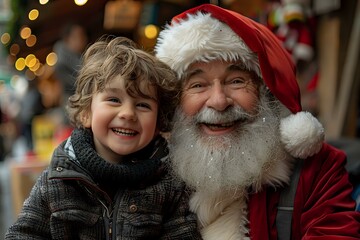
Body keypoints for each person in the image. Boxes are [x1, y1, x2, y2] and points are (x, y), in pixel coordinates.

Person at [155, 4, 360, 239]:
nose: (219, 101)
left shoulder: (315, 169)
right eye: (198, 85)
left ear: (266, 93)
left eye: (237, 81)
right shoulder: (147, 169)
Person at [5, 36, 201, 239]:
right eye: (114, 100)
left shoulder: (168, 185)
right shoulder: (58, 180)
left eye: (143, 105)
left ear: (159, 123)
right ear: (86, 113)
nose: (128, 113)